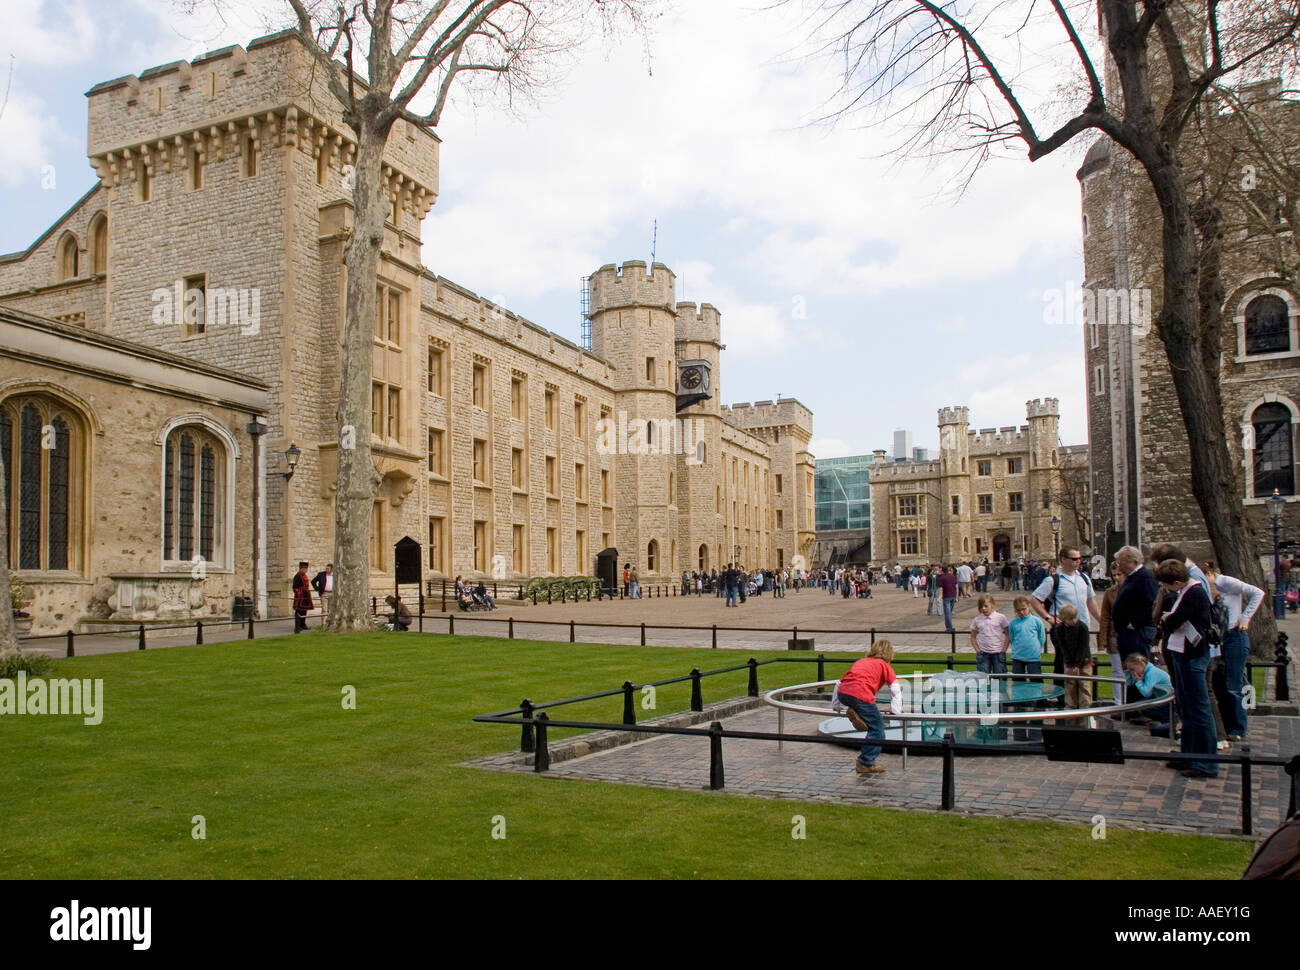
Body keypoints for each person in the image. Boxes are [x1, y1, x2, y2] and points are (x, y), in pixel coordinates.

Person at [1155, 558, 1218, 778]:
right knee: (1188, 708)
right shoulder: (1187, 592)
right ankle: (1189, 754)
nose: (1165, 588)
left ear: (1175, 581)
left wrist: (1167, 619)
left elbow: (1174, 621)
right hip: (1182, 652)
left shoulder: (1194, 592)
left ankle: (1206, 762)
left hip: (1192, 655)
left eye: (1167, 583)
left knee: (1199, 709)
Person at [1203, 567, 1264, 742]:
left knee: (1233, 684)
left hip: (1234, 635)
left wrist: (1245, 616)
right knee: (1220, 683)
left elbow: (1257, 593)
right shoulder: (1207, 589)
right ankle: (1227, 722)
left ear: (1209, 574)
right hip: (1219, 637)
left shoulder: (1226, 582)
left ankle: (1238, 727)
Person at [835, 640, 903, 775]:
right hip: (860, 694)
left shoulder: (861, 661)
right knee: (878, 728)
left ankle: (855, 712)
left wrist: (835, 705)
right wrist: (895, 711)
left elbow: (839, 683)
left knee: (865, 710)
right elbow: (895, 689)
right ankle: (865, 762)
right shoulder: (884, 666)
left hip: (844, 693)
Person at [1111, 546, 1159, 658]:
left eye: (1122, 563)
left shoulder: (1145, 577)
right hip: (1127, 632)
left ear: (1134, 562)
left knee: (1138, 667)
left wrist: (1132, 624)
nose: (1120, 567)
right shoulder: (1131, 577)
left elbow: (1151, 603)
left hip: (1137, 632)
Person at [1050, 603, 1093, 708]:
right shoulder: (1060, 629)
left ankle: (1085, 707)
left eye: (1075, 618)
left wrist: (1077, 665)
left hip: (1084, 660)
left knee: (1084, 685)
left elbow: (1082, 647)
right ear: (1064, 619)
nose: (1074, 621)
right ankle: (1070, 706)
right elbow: (1063, 648)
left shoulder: (1082, 627)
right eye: (1070, 619)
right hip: (1069, 661)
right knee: (1070, 685)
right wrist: (1070, 665)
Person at [1097, 561, 1125, 706]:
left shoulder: (1134, 589)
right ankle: (1118, 702)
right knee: (1116, 670)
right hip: (1114, 635)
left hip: (1129, 634)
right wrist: (1103, 639)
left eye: (1119, 574)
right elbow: (1105, 617)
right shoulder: (1110, 593)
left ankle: (1132, 703)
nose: (1117, 578)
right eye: (1114, 575)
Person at [1124, 653, 1173, 729]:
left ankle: (1168, 719)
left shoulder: (1151, 673)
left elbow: (1146, 693)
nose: (1132, 672)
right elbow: (1129, 683)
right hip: (1161, 698)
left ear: (1141, 663)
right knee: (1139, 705)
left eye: (1132, 669)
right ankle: (1166, 720)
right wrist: (1129, 673)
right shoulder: (1147, 670)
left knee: (1142, 706)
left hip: (1168, 702)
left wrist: (1138, 681)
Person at [969, 593, 1011, 674]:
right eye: (981, 607)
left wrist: (1004, 649)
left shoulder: (1000, 617)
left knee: (999, 679)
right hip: (983, 653)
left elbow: (1008, 633)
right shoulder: (977, 619)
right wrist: (978, 650)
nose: (983, 609)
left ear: (992, 605)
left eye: (986, 606)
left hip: (998, 652)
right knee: (983, 679)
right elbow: (973, 636)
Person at [1009, 595, 1047, 682]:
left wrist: (1037, 648)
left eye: (1024, 609)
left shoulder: (1036, 621)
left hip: (1033, 656)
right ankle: (1019, 696)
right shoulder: (1013, 623)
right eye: (1018, 610)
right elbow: (1012, 638)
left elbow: (1041, 637)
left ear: (1029, 606)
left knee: (1036, 681)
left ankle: (1036, 695)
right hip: (1018, 656)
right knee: (1018, 682)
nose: (1021, 612)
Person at [937, 565, 959, 633]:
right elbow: (956, 586)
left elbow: (941, 588)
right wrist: (957, 596)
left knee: (947, 613)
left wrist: (939, 597)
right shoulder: (953, 576)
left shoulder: (941, 578)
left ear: (942, 570)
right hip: (953, 595)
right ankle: (949, 626)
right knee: (950, 612)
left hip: (946, 596)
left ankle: (949, 628)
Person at [292, 561, 313, 633]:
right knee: (299, 611)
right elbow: (295, 587)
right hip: (300, 596)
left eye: (306, 569)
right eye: (304, 569)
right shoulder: (297, 576)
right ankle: (298, 626)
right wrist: (299, 593)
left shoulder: (305, 576)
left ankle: (303, 624)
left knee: (304, 611)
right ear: (301, 568)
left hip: (305, 595)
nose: (305, 570)